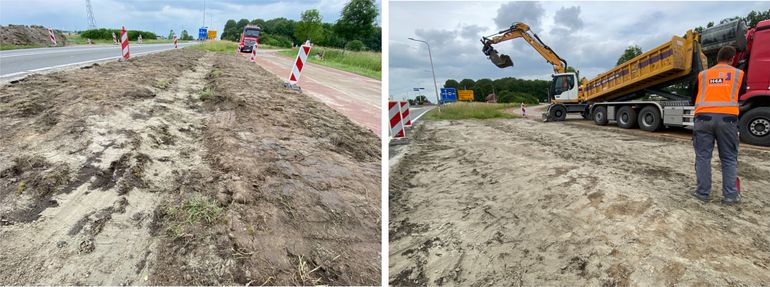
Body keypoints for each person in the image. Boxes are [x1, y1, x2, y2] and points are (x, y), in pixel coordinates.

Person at [692, 46, 743, 205]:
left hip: (703, 119)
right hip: (728, 120)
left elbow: (694, 96)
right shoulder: (738, 74)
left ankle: (702, 193)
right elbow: (740, 96)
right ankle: (730, 195)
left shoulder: (703, 75)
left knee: (703, 157)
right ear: (732, 58)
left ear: (717, 59)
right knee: (728, 158)